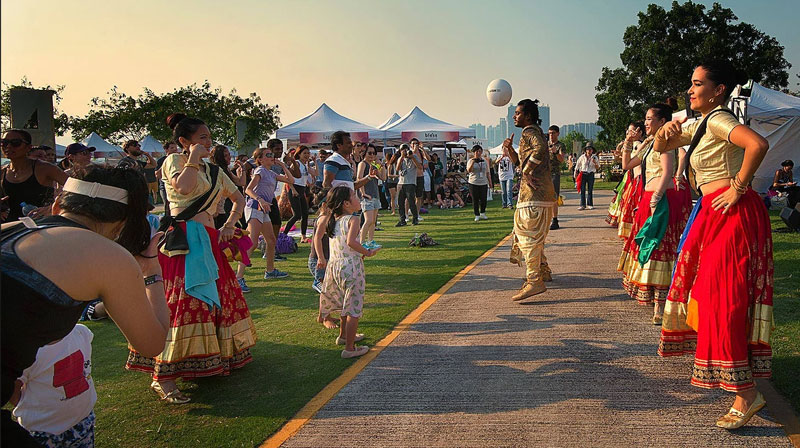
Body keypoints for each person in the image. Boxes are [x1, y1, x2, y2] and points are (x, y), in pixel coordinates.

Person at [1, 165, 169, 445]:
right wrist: (151, 272)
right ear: (122, 224)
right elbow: (152, 343)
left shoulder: (10, 229)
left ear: (58, 204)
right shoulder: (107, 255)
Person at [655, 61, 772, 429]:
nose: (690, 90)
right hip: (713, 213)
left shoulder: (719, 119)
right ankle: (742, 386)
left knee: (725, 300)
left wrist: (738, 187)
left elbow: (758, 144)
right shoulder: (701, 124)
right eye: (690, 84)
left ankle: (746, 394)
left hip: (731, 213)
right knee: (709, 296)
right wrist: (665, 133)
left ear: (718, 90)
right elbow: (662, 145)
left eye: (697, 84)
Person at [126, 114, 256, 403]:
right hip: (182, 242)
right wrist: (193, 158)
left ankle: (212, 358)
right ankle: (163, 376)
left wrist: (230, 224)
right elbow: (183, 188)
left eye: (209, 137)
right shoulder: (174, 161)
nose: (208, 143)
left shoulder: (214, 170)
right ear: (184, 141)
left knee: (216, 299)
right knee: (181, 303)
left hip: (209, 240)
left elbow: (238, 198)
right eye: (202, 138)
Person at [616, 100, 690, 324]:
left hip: (661, 199)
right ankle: (656, 298)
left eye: (650, 119)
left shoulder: (666, 141)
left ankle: (661, 303)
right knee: (648, 245)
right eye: (646, 118)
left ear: (662, 121)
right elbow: (627, 165)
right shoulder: (650, 143)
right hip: (649, 198)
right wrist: (628, 143)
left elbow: (667, 171)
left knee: (659, 246)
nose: (646, 123)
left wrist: (657, 198)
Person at [10, 324, 97, 447]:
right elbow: (12, 387)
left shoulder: (81, 332)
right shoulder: (27, 351)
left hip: (83, 420)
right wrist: (25, 405)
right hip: (43, 431)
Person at [505, 99, 557, 301]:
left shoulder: (529, 131)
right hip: (538, 195)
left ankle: (534, 281)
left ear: (528, 116)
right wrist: (510, 150)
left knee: (527, 237)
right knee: (533, 236)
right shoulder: (535, 132)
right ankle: (543, 270)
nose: (514, 116)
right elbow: (520, 163)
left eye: (518, 113)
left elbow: (540, 150)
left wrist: (527, 171)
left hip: (534, 196)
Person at [318, 186, 379, 359]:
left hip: (335, 266)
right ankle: (350, 348)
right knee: (353, 308)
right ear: (346, 203)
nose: (357, 198)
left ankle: (344, 336)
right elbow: (351, 242)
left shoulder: (333, 220)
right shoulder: (353, 219)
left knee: (346, 303)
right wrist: (367, 252)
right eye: (354, 196)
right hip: (351, 267)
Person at [238, 147, 294, 286]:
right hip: (254, 207)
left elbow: (291, 180)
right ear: (260, 159)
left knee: (271, 240)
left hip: (264, 210)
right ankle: (238, 278)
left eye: (272, 154)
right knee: (252, 242)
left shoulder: (271, 173)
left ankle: (270, 271)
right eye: (268, 154)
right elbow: (248, 190)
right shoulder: (260, 171)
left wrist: (283, 166)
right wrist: (260, 200)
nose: (272, 156)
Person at [1, 129, 67, 222]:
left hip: (42, 224)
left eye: (15, 143)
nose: (8, 146)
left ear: (28, 147)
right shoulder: (2, 172)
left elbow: (78, 190)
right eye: (4, 142)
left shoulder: (44, 168)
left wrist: (53, 207)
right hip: (11, 225)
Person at [613, 122, 647, 238]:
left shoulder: (639, 144)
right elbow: (625, 162)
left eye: (632, 131)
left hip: (639, 179)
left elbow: (631, 161)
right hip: (633, 178)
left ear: (640, 132)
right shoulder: (634, 145)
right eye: (628, 131)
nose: (629, 133)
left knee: (634, 206)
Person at [283, 145, 316, 243]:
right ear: (299, 154)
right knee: (297, 215)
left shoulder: (305, 165)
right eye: (304, 153)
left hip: (302, 190)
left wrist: (314, 163)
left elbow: (316, 173)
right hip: (295, 189)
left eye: (308, 153)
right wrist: (293, 190)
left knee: (305, 214)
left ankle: (303, 236)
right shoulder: (296, 163)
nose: (307, 155)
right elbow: (288, 177)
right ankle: (283, 234)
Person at [209, 144, 246, 229]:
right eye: (225, 156)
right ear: (219, 158)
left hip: (222, 209)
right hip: (216, 211)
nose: (229, 157)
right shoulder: (216, 170)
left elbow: (241, 182)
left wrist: (243, 168)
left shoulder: (227, 170)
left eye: (229, 154)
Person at [357, 143, 385, 249]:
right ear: (364, 153)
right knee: (368, 220)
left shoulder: (373, 165)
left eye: (374, 153)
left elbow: (383, 177)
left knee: (373, 221)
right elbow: (359, 178)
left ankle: (370, 241)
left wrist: (382, 166)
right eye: (369, 153)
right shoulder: (363, 164)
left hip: (375, 194)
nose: (372, 155)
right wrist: (363, 193)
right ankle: (361, 242)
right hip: (367, 196)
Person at [395, 143, 421, 226]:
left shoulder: (414, 156)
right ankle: (402, 220)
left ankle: (415, 219)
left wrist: (412, 157)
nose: (405, 152)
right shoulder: (400, 158)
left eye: (406, 149)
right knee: (400, 203)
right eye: (402, 150)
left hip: (410, 182)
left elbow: (420, 167)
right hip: (401, 183)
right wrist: (402, 157)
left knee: (411, 202)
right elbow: (397, 169)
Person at [548, 125, 566, 229]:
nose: (551, 135)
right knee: (545, 197)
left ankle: (555, 220)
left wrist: (555, 152)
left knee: (554, 197)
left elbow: (561, 159)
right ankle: (546, 219)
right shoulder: (546, 144)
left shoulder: (560, 146)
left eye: (553, 133)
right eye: (550, 133)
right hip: (545, 173)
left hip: (555, 173)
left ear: (558, 134)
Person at [467, 145, 491, 222]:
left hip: (483, 182)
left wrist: (490, 182)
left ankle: (483, 213)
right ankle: (477, 215)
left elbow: (488, 172)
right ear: (474, 152)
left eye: (480, 151)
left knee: (484, 199)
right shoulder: (470, 160)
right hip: (473, 182)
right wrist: (473, 162)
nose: (478, 153)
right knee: (475, 199)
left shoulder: (484, 161)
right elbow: (469, 170)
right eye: (477, 151)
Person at [574, 142, 600, 210]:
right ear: (585, 150)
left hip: (591, 174)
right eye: (588, 149)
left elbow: (597, 167)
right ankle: (582, 204)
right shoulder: (582, 157)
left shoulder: (595, 157)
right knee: (582, 190)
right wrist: (575, 173)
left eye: (590, 149)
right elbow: (577, 165)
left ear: (592, 150)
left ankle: (590, 204)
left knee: (590, 190)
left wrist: (595, 162)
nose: (589, 150)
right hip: (583, 173)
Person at [156, 141, 179, 217]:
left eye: (176, 148)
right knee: (167, 207)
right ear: (166, 150)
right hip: (165, 187)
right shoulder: (161, 160)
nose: (175, 150)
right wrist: (166, 162)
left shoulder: (179, 159)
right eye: (172, 148)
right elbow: (157, 175)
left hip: (176, 186)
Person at [409, 139, 430, 219]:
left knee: (419, 196)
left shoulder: (421, 153)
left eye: (416, 143)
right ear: (410, 145)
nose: (415, 145)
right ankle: (407, 214)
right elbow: (411, 157)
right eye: (413, 143)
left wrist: (423, 149)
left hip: (420, 176)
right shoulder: (410, 152)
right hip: (412, 177)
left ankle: (417, 214)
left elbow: (428, 159)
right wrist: (414, 150)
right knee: (409, 196)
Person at [384, 150, 400, 215]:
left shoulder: (398, 165)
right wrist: (396, 176)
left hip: (397, 181)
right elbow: (389, 175)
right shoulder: (390, 165)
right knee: (393, 197)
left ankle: (398, 209)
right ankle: (393, 210)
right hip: (391, 182)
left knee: (398, 196)